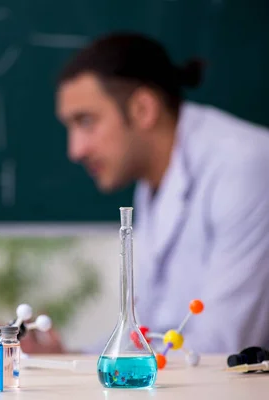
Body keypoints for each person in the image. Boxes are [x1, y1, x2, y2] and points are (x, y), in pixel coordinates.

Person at [55, 32, 269, 353]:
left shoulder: (245, 164)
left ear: (143, 109)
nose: (75, 150)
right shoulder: (152, 179)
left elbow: (222, 348)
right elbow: (149, 328)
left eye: (86, 121)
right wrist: (65, 357)